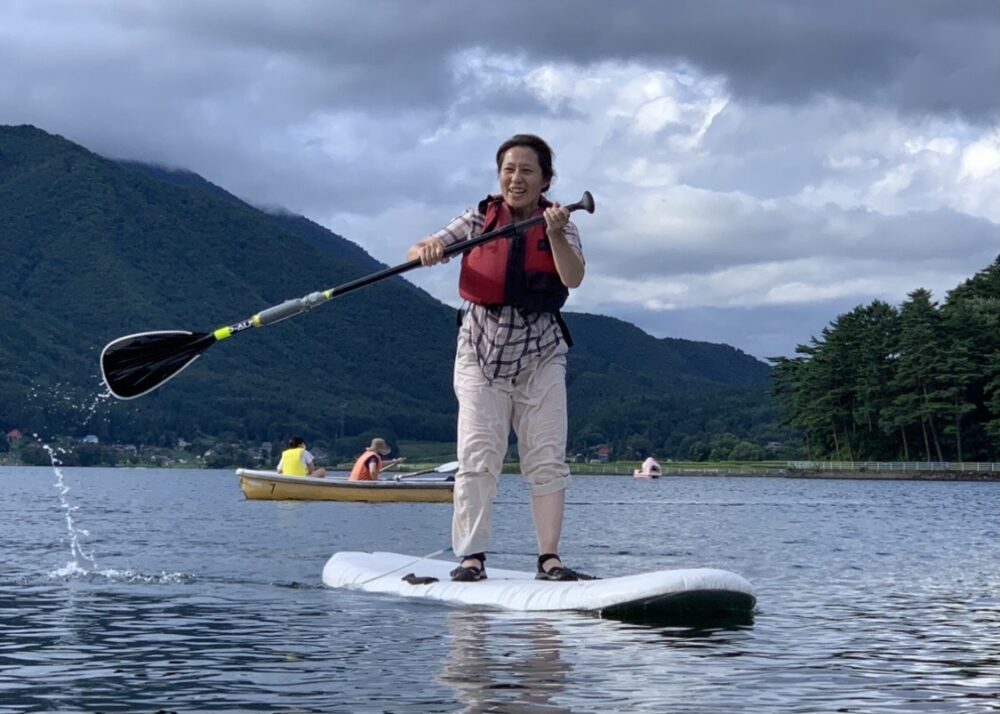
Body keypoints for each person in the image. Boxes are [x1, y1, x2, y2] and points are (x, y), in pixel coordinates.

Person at [407, 133, 589, 582]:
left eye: (527, 170)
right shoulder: (477, 219)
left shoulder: (562, 222)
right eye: (509, 169)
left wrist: (554, 235)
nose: (516, 178)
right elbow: (421, 247)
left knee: (546, 457)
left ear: (546, 179)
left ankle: (549, 558)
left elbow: (574, 276)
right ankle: (472, 557)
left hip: (541, 353)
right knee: (478, 456)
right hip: (480, 352)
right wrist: (426, 250)